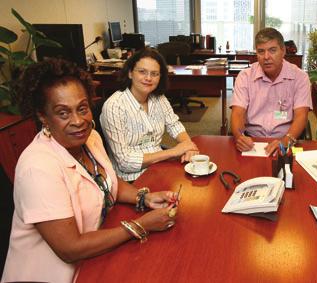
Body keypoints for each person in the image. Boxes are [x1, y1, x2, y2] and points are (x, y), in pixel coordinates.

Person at [1, 59, 179, 283]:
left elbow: (107, 182)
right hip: (54, 274)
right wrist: (142, 225)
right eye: (63, 113)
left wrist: (144, 197)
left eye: (82, 108)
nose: (78, 121)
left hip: (96, 256)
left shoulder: (90, 137)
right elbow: (69, 249)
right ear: (43, 116)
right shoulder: (37, 167)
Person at [100, 48, 198, 182]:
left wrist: (188, 146)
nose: (148, 78)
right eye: (142, 72)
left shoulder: (159, 98)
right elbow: (124, 162)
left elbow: (174, 125)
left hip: (160, 166)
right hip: (130, 179)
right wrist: (174, 152)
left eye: (155, 74)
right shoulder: (114, 106)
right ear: (130, 73)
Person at [230, 27, 312, 155]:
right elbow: (238, 113)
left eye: (272, 50)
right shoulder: (245, 76)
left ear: (283, 51)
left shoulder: (300, 77)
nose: (266, 57)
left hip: (286, 139)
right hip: (252, 141)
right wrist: (240, 136)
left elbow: (301, 116)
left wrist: (285, 141)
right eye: (261, 51)